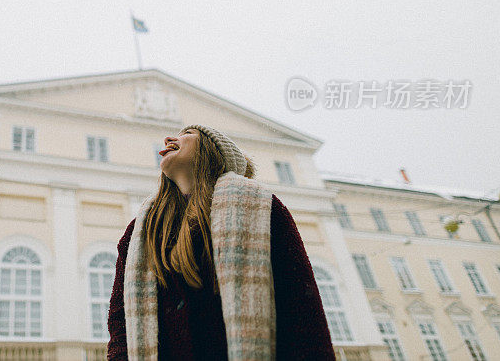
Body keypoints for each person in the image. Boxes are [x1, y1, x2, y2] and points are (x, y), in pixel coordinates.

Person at [107, 125, 335, 360]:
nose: (168, 139)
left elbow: (301, 306)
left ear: (211, 150)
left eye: (187, 134)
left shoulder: (261, 206)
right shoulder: (140, 230)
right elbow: (120, 319)